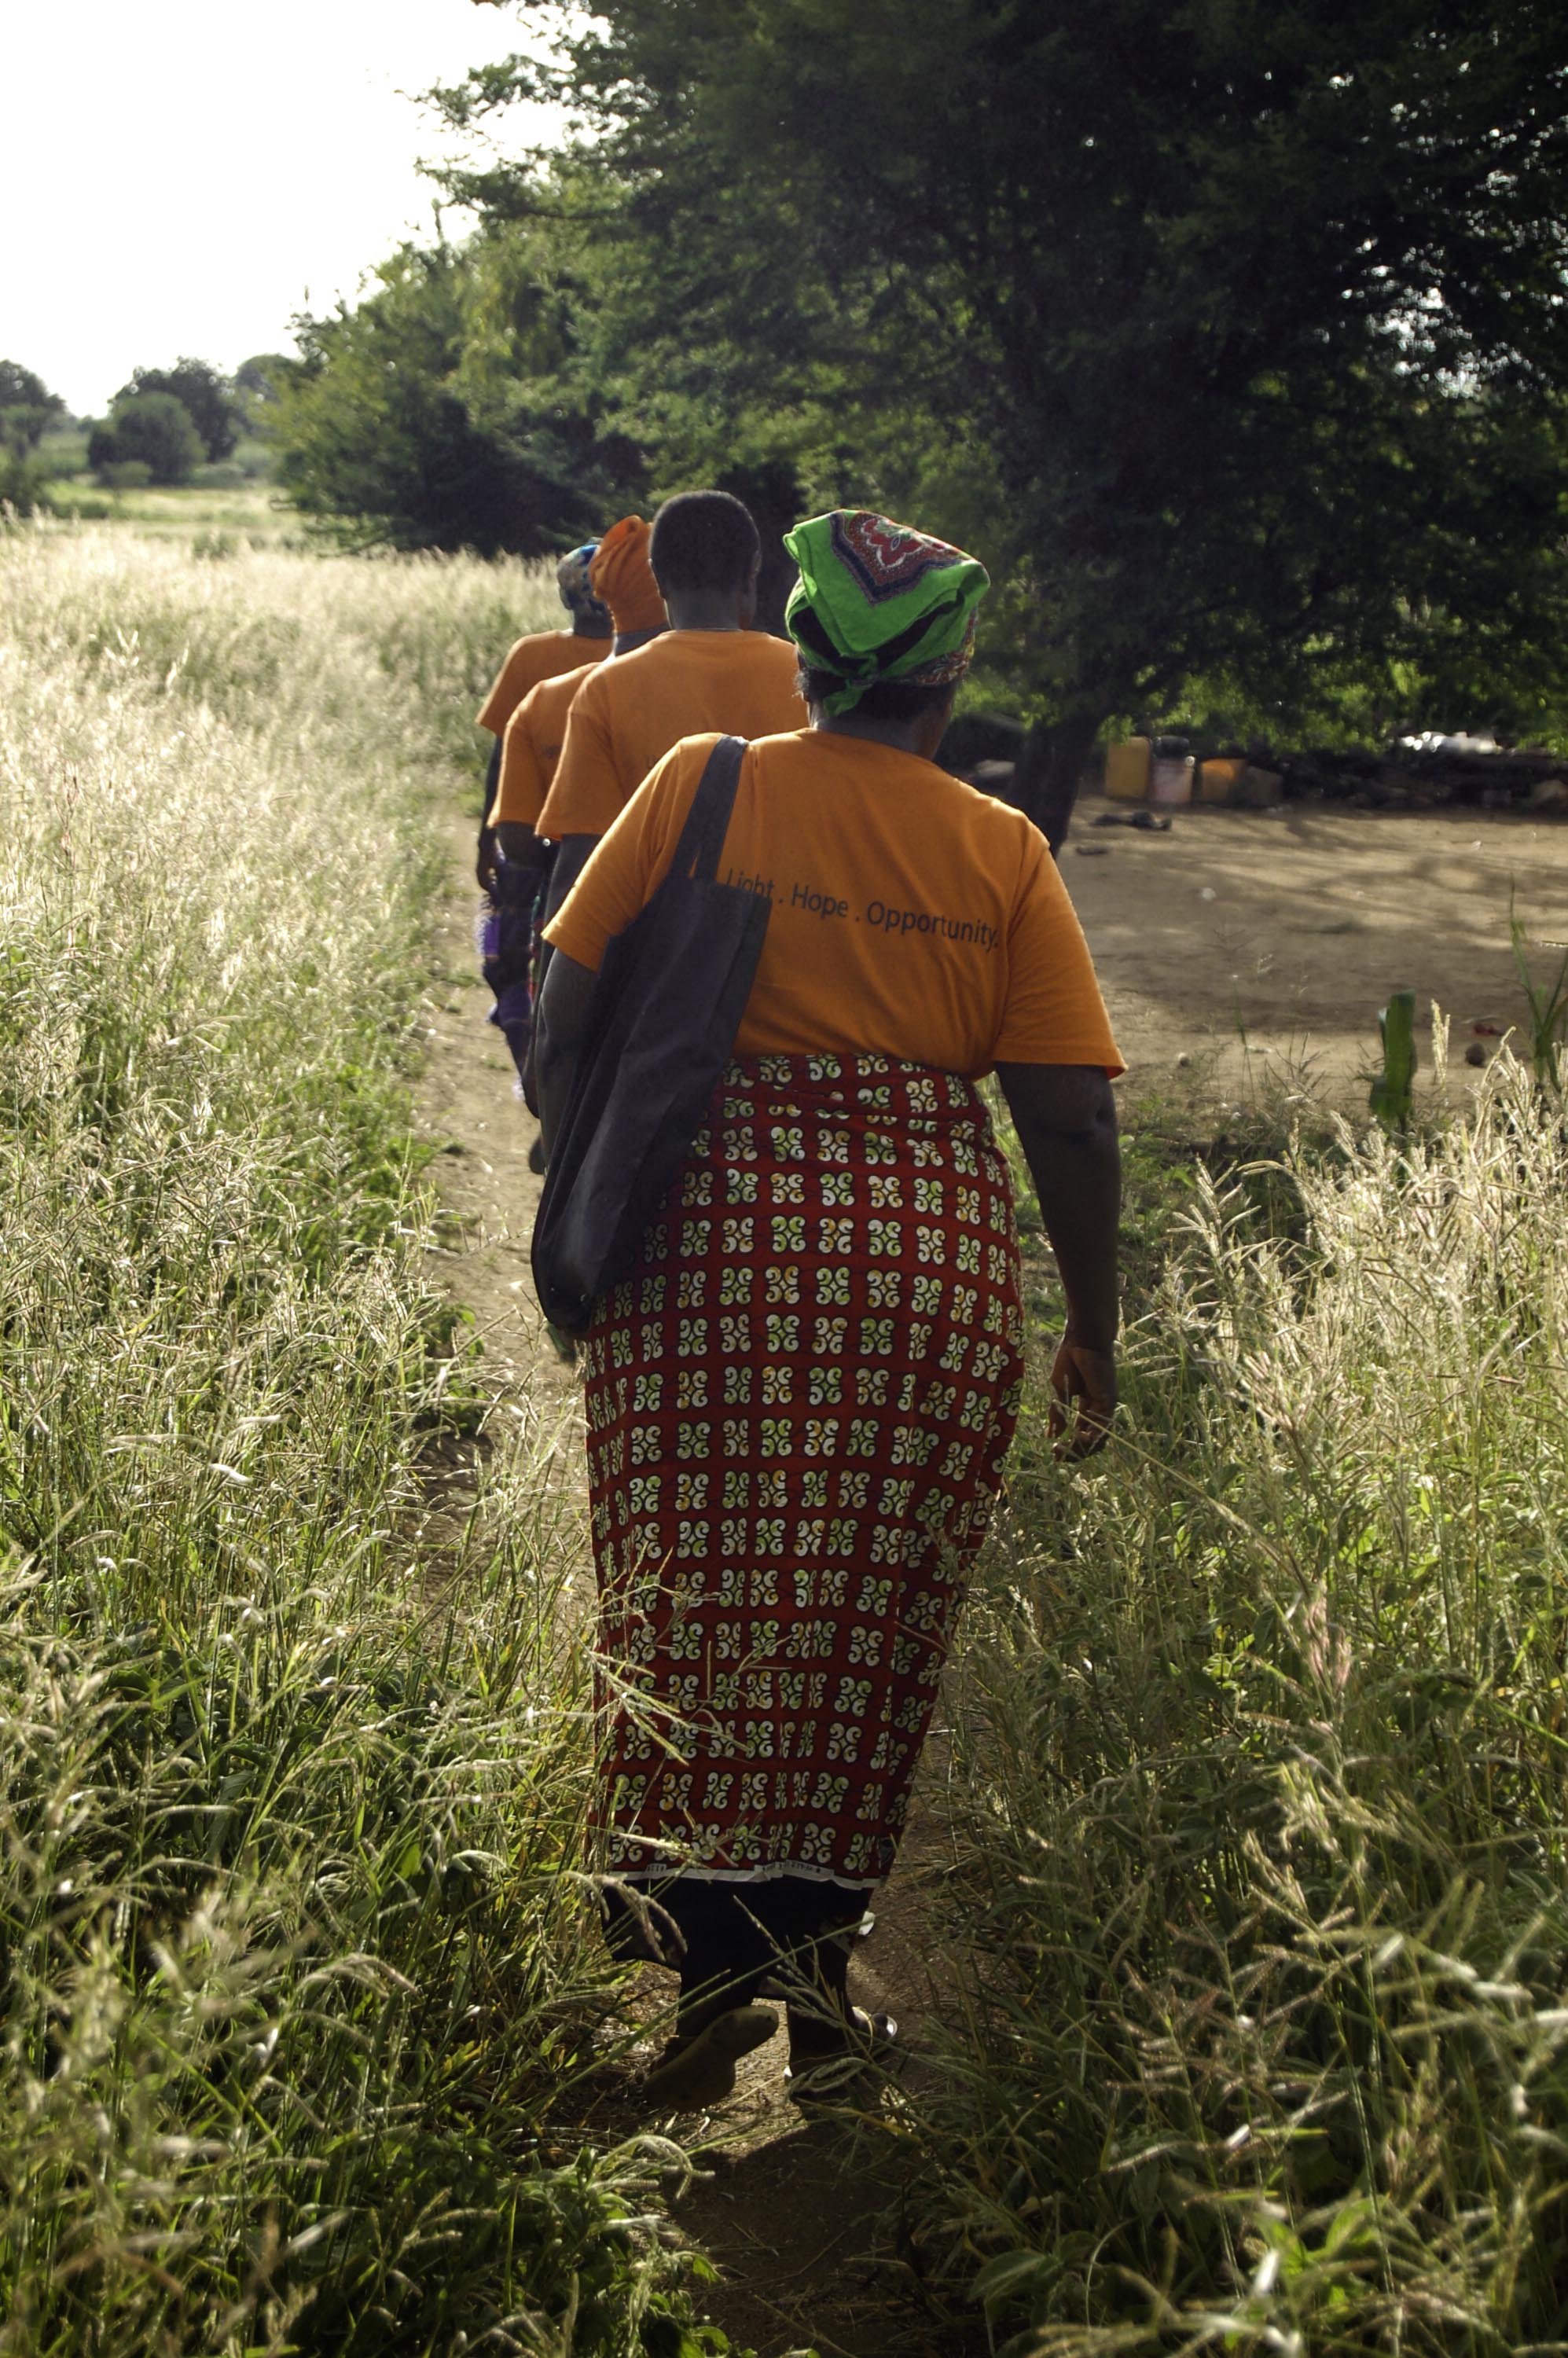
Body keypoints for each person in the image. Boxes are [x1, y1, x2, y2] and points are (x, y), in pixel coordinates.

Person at [534, 509, 1123, 2108]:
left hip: (705, 1262)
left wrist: (581, 1179)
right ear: (950, 678)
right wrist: (1091, 1325)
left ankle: (709, 1977)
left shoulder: (702, 783)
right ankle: (809, 1991)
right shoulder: (1002, 848)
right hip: (921, 1281)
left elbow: (568, 997)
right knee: (865, 1635)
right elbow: (1070, 1115)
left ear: (804, 655)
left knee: (690, 1607)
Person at [482, 520, 670, 1163]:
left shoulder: (541, 678)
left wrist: (510, 850)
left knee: (537, 993)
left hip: (564, 880)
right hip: (679, 899)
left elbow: (511, 811)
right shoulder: (711, 681)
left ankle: (552, 1115)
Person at [537, 490, 805, 930]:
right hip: (788, 941)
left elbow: (580, 863)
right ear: (752, 572)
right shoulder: (808, 679)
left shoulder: (606, 690)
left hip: (654, 955)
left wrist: (551, 970)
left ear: (658, 580)